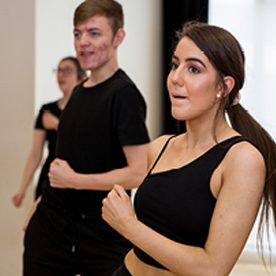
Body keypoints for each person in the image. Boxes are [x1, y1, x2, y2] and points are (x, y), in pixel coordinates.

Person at [102, 21, 276, 276]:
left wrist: (129, 225)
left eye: (193, 69)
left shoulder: (242, 159)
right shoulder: (160, 146)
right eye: (175, 65)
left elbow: (212, 269)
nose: (175, 78)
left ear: (224, 86)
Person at [23, 0, 150, 275]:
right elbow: (63, 159)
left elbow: (138, 172)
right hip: (51, 228)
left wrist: (76, 181)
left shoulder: (124, 95)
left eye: (94, 33)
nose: (83, 42)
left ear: (119, 37)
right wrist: (40, 201)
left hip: (100, 235)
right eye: (77, 33)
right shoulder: (79, 92)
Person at [11, 56, 86, 207]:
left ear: (81, 76)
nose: (61, 75)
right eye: (58, 71)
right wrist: (22, 189)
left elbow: (86, 141)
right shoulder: (47, 110)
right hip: (49, 177)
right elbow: (35, 154)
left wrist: (58, 124)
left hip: (78, 178)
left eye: (67, 71)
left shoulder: (86, 110)